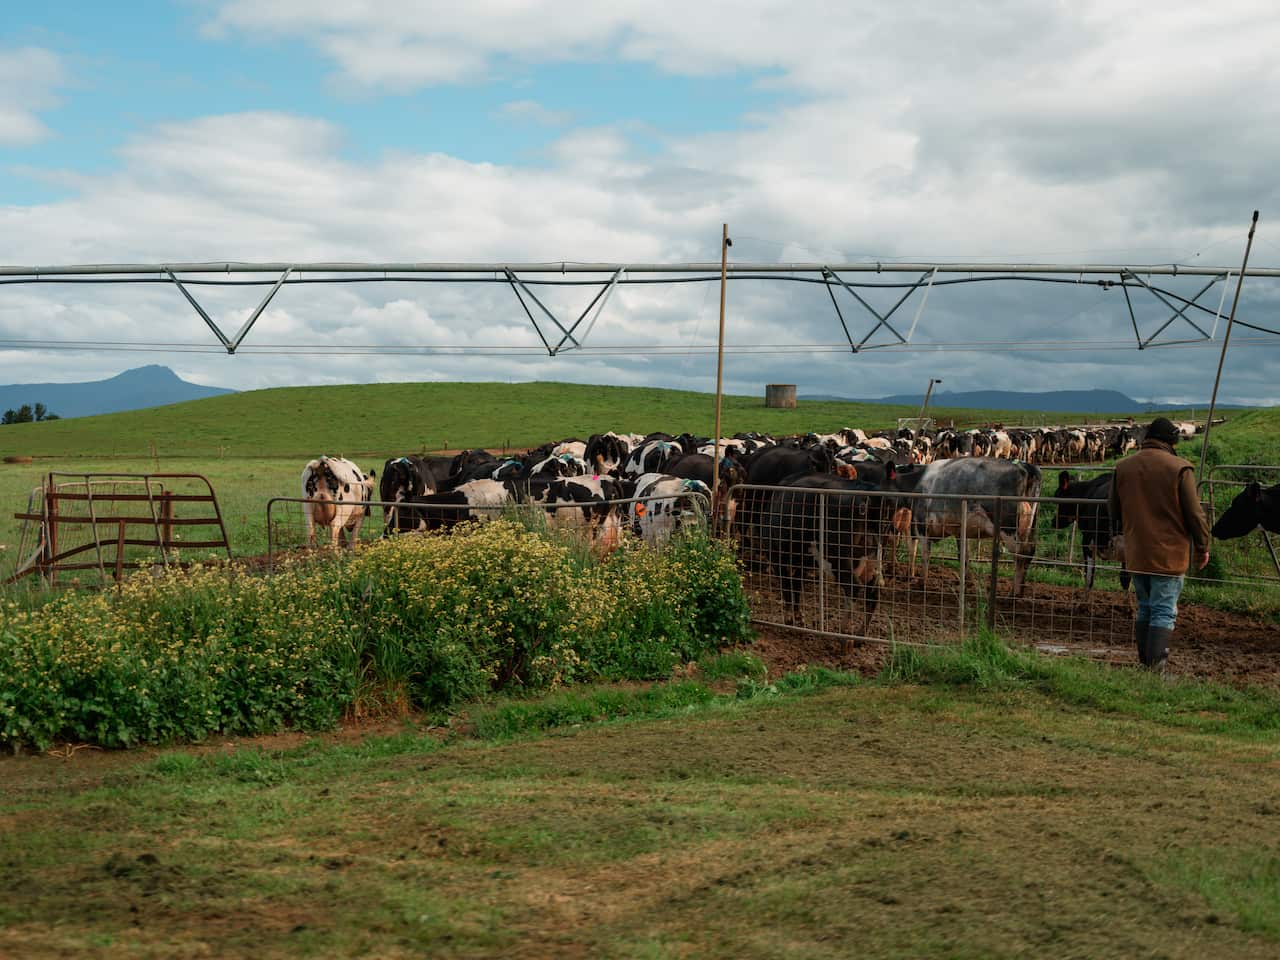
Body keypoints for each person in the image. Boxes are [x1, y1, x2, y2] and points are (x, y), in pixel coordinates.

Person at [1109, 417, 1211, 671]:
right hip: (1168, 554)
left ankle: (1145, 665)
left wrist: (1126, 532)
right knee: (1164, 609)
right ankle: (1157, 669)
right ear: (1171, 440)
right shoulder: (1179, 468)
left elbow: (1113, 509)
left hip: (1136, 551)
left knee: (1145, 607)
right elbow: (1194, 514)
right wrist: (1203, 545)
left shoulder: (1123, 467)